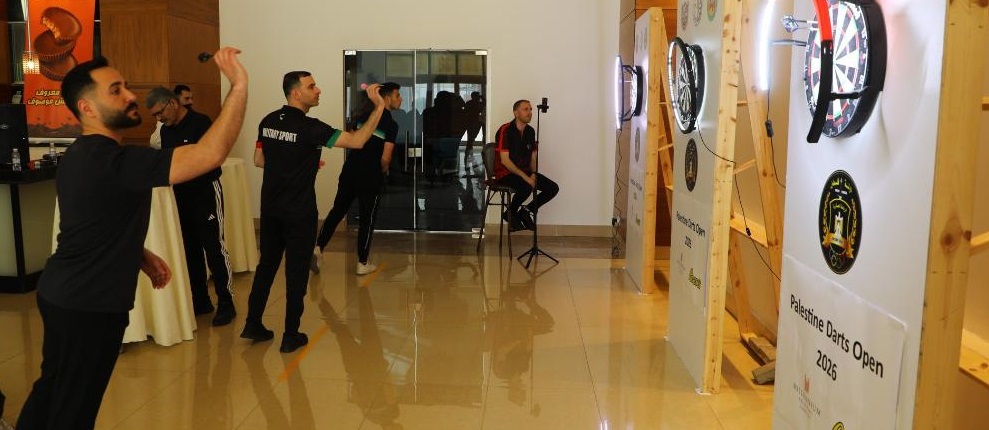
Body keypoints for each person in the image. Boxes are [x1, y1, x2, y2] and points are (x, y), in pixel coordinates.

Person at [16, 48, 247, 430]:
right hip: (88, 305)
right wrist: (238, 85)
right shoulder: (114, 162)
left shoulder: (81, 154)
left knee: (53, 390)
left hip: (64, 296)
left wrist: (138, 254)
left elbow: (91, 221)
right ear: (87, 108)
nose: (130, 96)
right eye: (116, 90)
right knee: (72, 410)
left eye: (124, 86)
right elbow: (210, 153)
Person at [243, 72, 386, 354]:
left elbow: (260, 160)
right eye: (311, 86)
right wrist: (379, 107)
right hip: (299, 212)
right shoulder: (311, 128)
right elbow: (357, 141)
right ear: (296, 93)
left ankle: (252, 324)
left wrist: (299, 163)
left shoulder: (268, 121)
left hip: (270, 209)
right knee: (296, 273)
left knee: (266, 267)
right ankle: (290, 335)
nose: (318, 90)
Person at [146, 87, 235, 326]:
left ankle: (226, 302)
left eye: (160, 112)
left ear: (173, 103)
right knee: (190, 250)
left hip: (205, 193)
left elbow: (213, 158)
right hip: (180, 196)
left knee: (214, 248)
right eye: (154, 116)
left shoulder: (201, 123)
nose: (159, 118)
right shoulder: (165, 131)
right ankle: (201, 300)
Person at [311, 82, 401, 275]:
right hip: (371, 175)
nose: (400, 99)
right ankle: (362, 262)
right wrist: (383, 170)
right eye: (397, 95)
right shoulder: (391, 125)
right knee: (367, 218)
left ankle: (318, 247)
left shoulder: (362, 117)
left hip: (350, 171)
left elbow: (350, 140)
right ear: (386, 98)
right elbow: (385, 158)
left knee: (338, 210)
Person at [493, 100, 559, 230]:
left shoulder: (530, 131)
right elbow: (505, 161)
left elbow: (533, 157)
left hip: (524, 172)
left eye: (530, 109)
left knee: (552, 188)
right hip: (505, 173)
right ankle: (511, 213)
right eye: (525, 109)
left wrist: (533, 174)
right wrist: (527, 178)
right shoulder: (505, 130)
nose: (530, 112)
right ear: (516, 113)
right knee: (527, 186)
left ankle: (526, 210)